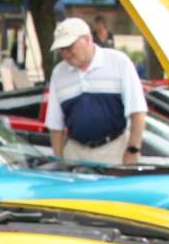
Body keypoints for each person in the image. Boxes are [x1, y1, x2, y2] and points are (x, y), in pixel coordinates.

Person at [43, 16, 146, 166]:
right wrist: (59, 161)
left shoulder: (118, 62)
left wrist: (133, 150)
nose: (66, 53)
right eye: (61, 49)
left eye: (69, 47)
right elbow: (55, 124)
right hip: (74, 152)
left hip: (114, 150)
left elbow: (138, 111)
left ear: (88, 39)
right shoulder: (59, 73)